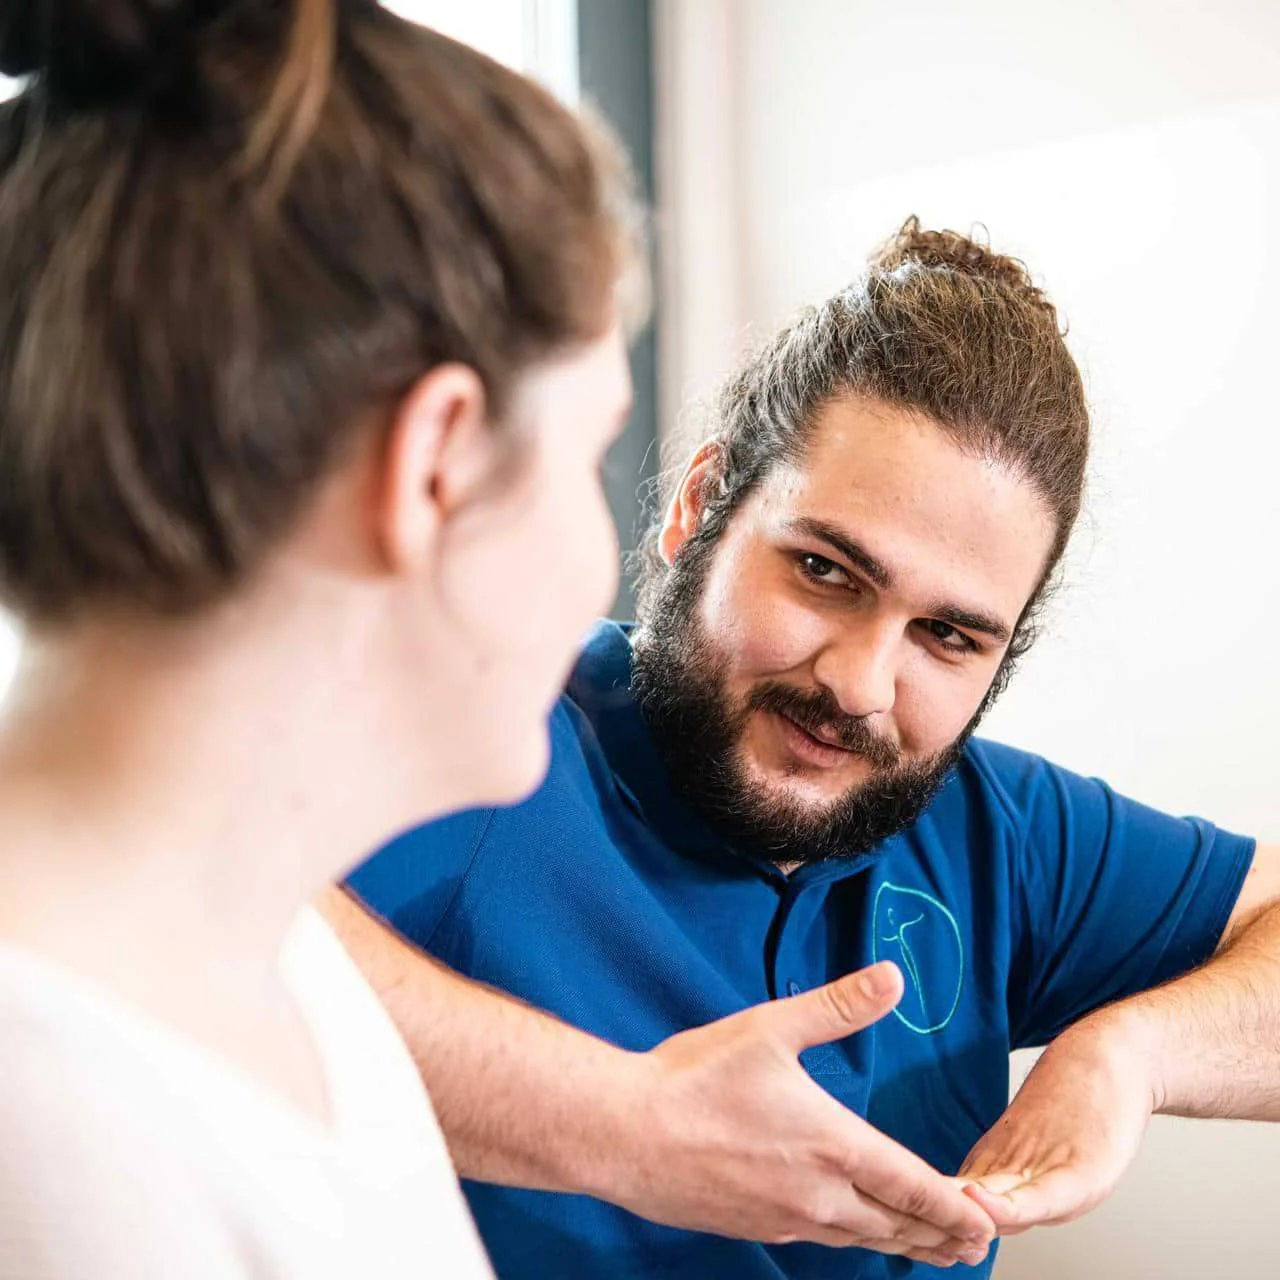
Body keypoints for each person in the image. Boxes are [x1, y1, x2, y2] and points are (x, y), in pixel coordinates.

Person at [335, 221, 1280, 1278]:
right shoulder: (488, 726)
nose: (859, 685)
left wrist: (1129, 1055)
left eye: (947, 635)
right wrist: (621, 1122)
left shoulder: (997, 835)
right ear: (699, 506)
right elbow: (187, 918)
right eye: (825, 572)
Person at [0, 0, 645, 1274]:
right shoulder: (59, 1148)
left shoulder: (279, 959)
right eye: (592, 453)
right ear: (435, 462)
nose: (603, 554)